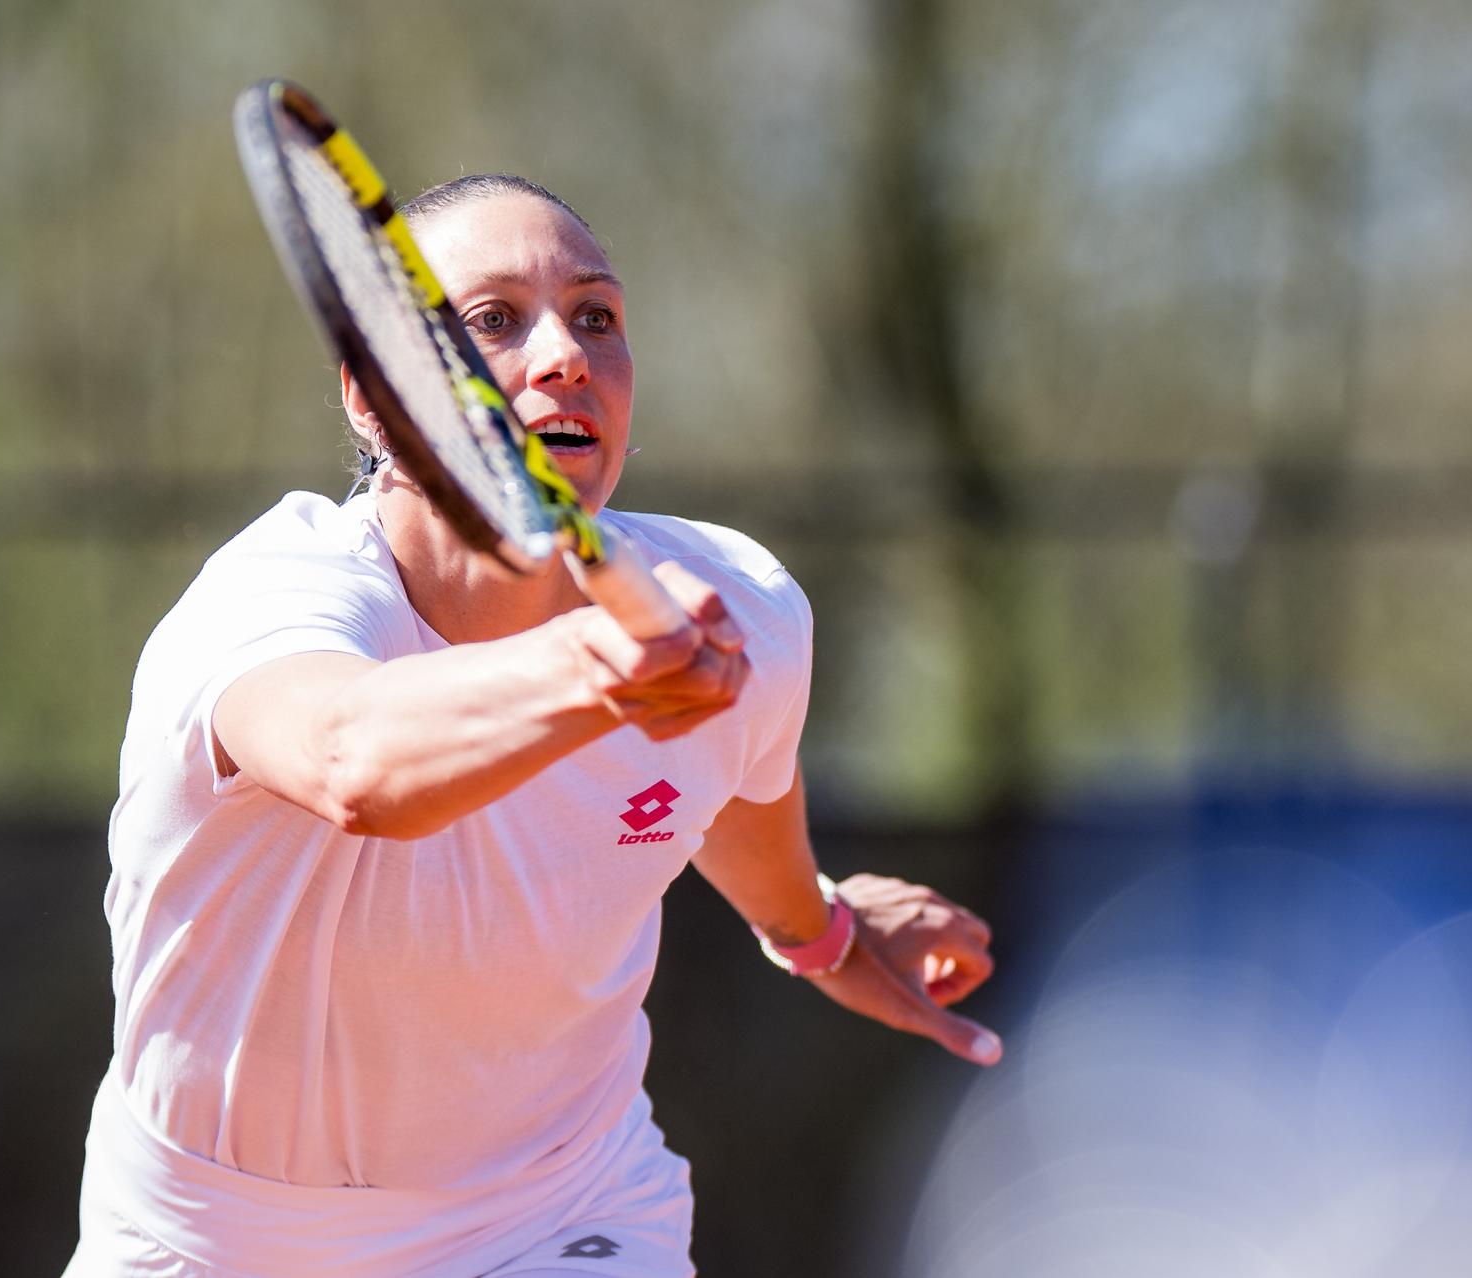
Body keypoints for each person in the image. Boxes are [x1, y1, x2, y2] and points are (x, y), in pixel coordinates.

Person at [64, 173, 1001, 1278]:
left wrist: (823, 932)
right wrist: (597, 670)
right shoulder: (269, 599)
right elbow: (355, 762)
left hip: (558, 1212)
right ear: (371, 396)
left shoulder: (739, 607)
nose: (564, 355)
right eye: (492, 322)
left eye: (596, 317)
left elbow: (735, 799)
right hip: (210, 1238)